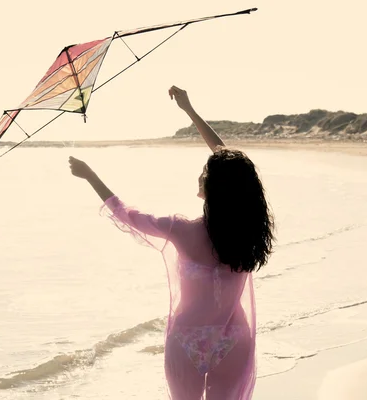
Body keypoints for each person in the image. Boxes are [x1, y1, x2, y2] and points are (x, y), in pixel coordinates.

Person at [68, 86, 275, 399]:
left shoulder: (181, 230)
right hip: (235, 338)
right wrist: (189, 110)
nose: (201, 173)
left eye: (204, 172)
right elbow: (228, 163)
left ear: (211, 188)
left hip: (187, 339)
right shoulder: (247, 231)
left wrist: (89, 175)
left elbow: (126, 214)